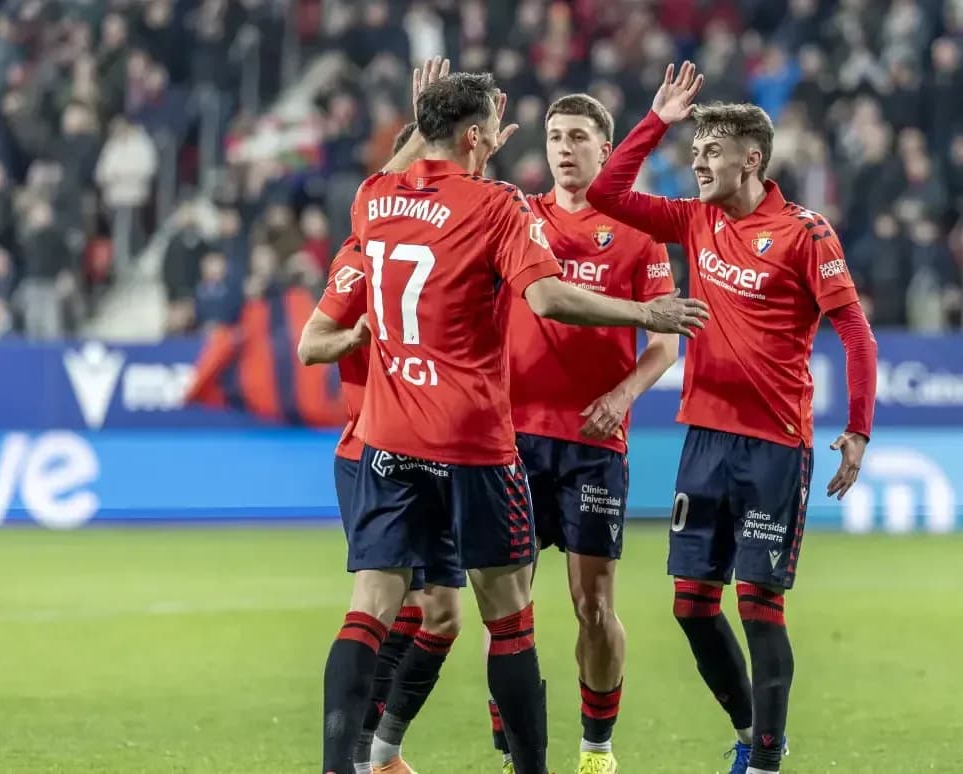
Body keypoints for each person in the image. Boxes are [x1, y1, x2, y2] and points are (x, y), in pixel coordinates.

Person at [319, 66, 710, 774]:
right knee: (509, 618)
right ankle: (525, 765)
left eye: (574, 136)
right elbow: (550, 300)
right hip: (478, 438)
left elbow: (406, 170)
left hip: (389, 438)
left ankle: (343, 765)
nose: (540, 144)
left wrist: (429, 121)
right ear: (478, 137)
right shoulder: (500, 205)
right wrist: (644, 313)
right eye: (503, 129)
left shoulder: (373, 198)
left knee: (371, 609)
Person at [585, 62, 878, 774]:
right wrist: (656, 119)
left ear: (753, 157)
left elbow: (856, 333)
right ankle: (752, 728)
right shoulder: (696, 220)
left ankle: (766, 762)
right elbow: (606, 192)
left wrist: (858, 428)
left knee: (760, 607)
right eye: (694, 151)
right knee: (691, 606)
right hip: (705, 441)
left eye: (710, 150)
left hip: (775, 447)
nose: (697, 161)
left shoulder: (806, 234)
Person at [487, 93, 679, 774]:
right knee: (506, 605)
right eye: (554, 137)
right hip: (510, 440)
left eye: (578, 137)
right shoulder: (519, 217)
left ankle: (596, 749)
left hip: (594, 446)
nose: (564, 149)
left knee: (593, 606)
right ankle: (515, 745)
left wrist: (624, 393)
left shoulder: (636, 232)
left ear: (605, 148)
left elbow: (664, 340)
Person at [297, 121, 427, 774]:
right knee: (388, 601)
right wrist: (356, 338)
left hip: (433, 450)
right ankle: (355, 756)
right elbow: (309, 345)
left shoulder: (442, 243)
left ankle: (372, 749)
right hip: (370, 450)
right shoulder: (361, 255)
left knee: (435, 612)